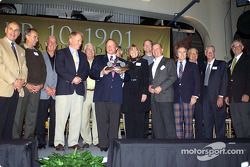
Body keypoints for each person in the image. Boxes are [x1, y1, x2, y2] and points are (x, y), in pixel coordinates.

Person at [90, 39, 128, 151]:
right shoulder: (98, 59)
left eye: (112, 46)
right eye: (108, 46)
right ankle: (103, 145)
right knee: (101, 121)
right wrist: (102, 72)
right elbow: (92, 73)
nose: (110, 47)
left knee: (114, 122)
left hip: (116, 96)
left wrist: (122, 75)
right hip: (101, 95)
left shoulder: (122, 61)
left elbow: (128, 77)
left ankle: (113, 145)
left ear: (116, 48)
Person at [54, 31, 89, 151]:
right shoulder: (61, 53)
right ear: (70, 40)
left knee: (76, 117)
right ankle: (58, 142)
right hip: (64, 90)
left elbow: (86, 70)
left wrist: (80, 78)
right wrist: (72, 78)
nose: (80, 43)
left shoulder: (83, 56)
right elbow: (60, 69)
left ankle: (73, 142)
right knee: (61, 118)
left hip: (78, 90)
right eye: (78, 40)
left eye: (81, 41)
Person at [13, 28, 46, 139]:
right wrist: (26, 84)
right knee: (18, 114)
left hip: (36, 89)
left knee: (32, 115)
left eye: (37, 37)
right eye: (34, 37)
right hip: (24, 87)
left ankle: (28, 139)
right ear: (27, 36)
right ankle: (15, 139)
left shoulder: (38, 53)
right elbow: (17, 69)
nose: (36, 40)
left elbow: (43, 70)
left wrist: (41, 84)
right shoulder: (20, 49)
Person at [0, 21, 27, 140]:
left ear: (19, 34)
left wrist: (22, 81)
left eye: (16, 30)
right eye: (11, 29)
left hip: (16, 90)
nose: (13, 32)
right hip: (3, 89)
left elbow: (24, 68)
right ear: (6, 30)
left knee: (9, 123)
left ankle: (5, 151)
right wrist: (13, 81)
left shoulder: (21, 50)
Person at [149, 43, 177, 139]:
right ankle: (160, 144)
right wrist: (150, 87)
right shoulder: (151, 65)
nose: (155, 50)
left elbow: (173, 77)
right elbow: (151, 80)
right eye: (153, 49)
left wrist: (161, 87)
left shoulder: (169, 62)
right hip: (154, 98)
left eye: (157, 48)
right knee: (157, 123)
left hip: (165, 96)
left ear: (162, 49)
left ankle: (173, 145)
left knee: (168, 122)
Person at [122, 44, 149, 138]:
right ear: (129, 53)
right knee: (129, 117)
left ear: (138, 52)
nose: (133, 52)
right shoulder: (125, 63)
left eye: (135, 50)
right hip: (128, 94)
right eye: (131, 50)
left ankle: (139, 139)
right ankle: (130, 139)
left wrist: (145, 92)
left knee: (139, 118)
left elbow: (146, 78)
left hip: (139, 93)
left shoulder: (144, 62)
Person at [173, 46, 200, 139]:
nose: (182, 54)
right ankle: (179, 143)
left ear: (186, 54)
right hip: (175, 98)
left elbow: (197, 82)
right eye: (180, 52)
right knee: (177, 122)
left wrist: (195, 96)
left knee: (188, 122)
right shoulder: (172, 65)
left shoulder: (193, 65)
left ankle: (188, 144)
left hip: (189, 98)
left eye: (184, 52)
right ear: (177, 54)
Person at [201, 45, 228, 139]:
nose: (210, 53)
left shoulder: (221, 64)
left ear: (214, 53)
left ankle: (221, 143)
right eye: (208, 51)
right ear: (205, 53)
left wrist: (221, 97)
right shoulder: (203, 66)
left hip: (217, 97)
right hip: (205, 99)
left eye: (212, 51)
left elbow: (224, 81)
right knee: (207, 122)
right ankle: (208, 143)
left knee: (219, 122)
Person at [225, 39, 250, 138]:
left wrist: (248, 93)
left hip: (243, 96)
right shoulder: (230, 63)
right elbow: (228, 81)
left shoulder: (247, 59)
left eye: (238, 45)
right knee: (236, 123)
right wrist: (227, 95)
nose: (236, 48)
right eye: (233, 46)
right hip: (232, 98)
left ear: (242, 47)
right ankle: (241, 146)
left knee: (246, 122)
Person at [36, 36, 57, 149]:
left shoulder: (60, 57)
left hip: (55, 94)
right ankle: (41, 141)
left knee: (55, 118)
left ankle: (52, 141)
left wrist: (56, 89)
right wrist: (46, 88)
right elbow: (38, 74)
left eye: (54, 42)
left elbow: (62, 75)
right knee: (41, 118)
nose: (52, 44)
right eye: (50, 42)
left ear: (57, 45)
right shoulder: (40, 56)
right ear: (46, 43)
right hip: (44, 92)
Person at [80, 43, 99, 148]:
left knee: (97, 118)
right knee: (84, 119)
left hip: (96, 93)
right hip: (85, 93)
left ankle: (96, 140)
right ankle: (87, 140)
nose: (90, 51)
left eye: (92, 50)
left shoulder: (98, 63)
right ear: (84, 51)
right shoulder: (81, 63)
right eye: (88, 49)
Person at [187, 48, 205, 139]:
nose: (193, 55)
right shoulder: (184, 66)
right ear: (188, 55)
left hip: (200, 99)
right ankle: (188, 142)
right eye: (191, 53)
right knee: (187, 122)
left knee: (200, 122)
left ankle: (199, 141)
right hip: (187, 99)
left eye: (195, 53)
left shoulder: (203, 66)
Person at [142, 39, 154, 138]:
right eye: (145, 45)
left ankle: (155, 135)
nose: (147, 47)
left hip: (156, 91)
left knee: (156, 114)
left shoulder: (157, 59)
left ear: (152, 46)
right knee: (145, 113)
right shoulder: (141, 60)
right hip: (145, 91)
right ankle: (144, 134)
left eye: (149, 45)